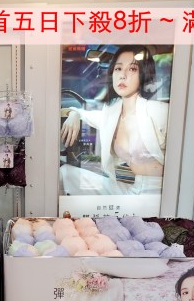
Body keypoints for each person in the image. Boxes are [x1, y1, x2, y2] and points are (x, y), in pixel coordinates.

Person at [60, 45, 169, 195]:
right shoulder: (111, 115)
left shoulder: (158, 111)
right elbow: (86, 114)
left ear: (143, 74)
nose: (122, 75)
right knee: (65, 173)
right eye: (118, 68)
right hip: (133, 189)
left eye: (132, 69)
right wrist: (74, 114)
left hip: (159, 193)